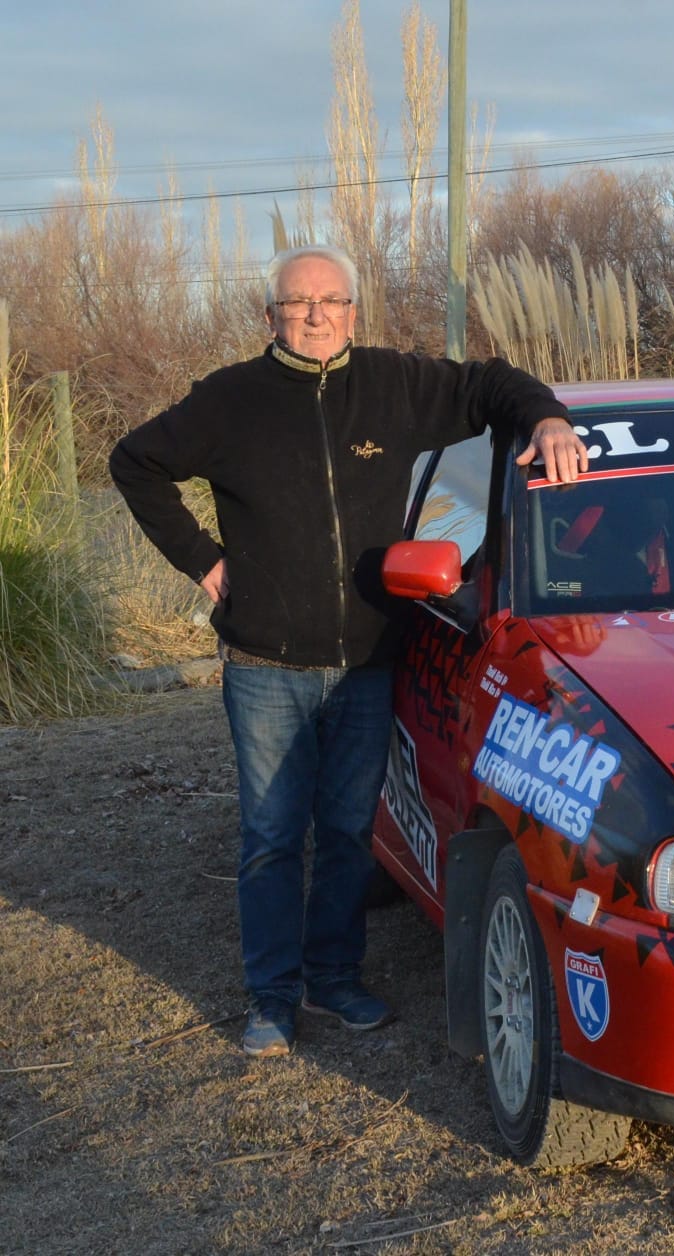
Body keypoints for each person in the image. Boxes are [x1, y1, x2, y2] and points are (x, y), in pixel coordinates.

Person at [110, 245, 587, 1058]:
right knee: (269, 835)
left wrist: (545, 417)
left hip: (368, 661)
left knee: (342, 832)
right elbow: (135, 461)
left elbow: (491, 384)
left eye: (332, 301)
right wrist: (203, 560)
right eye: (299, 304)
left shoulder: (395, 386)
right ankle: (272, 996)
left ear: (354, 312)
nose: (317, 315)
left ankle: (333, 978)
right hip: (266, 662)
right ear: (270, 316)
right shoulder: (230, 400)